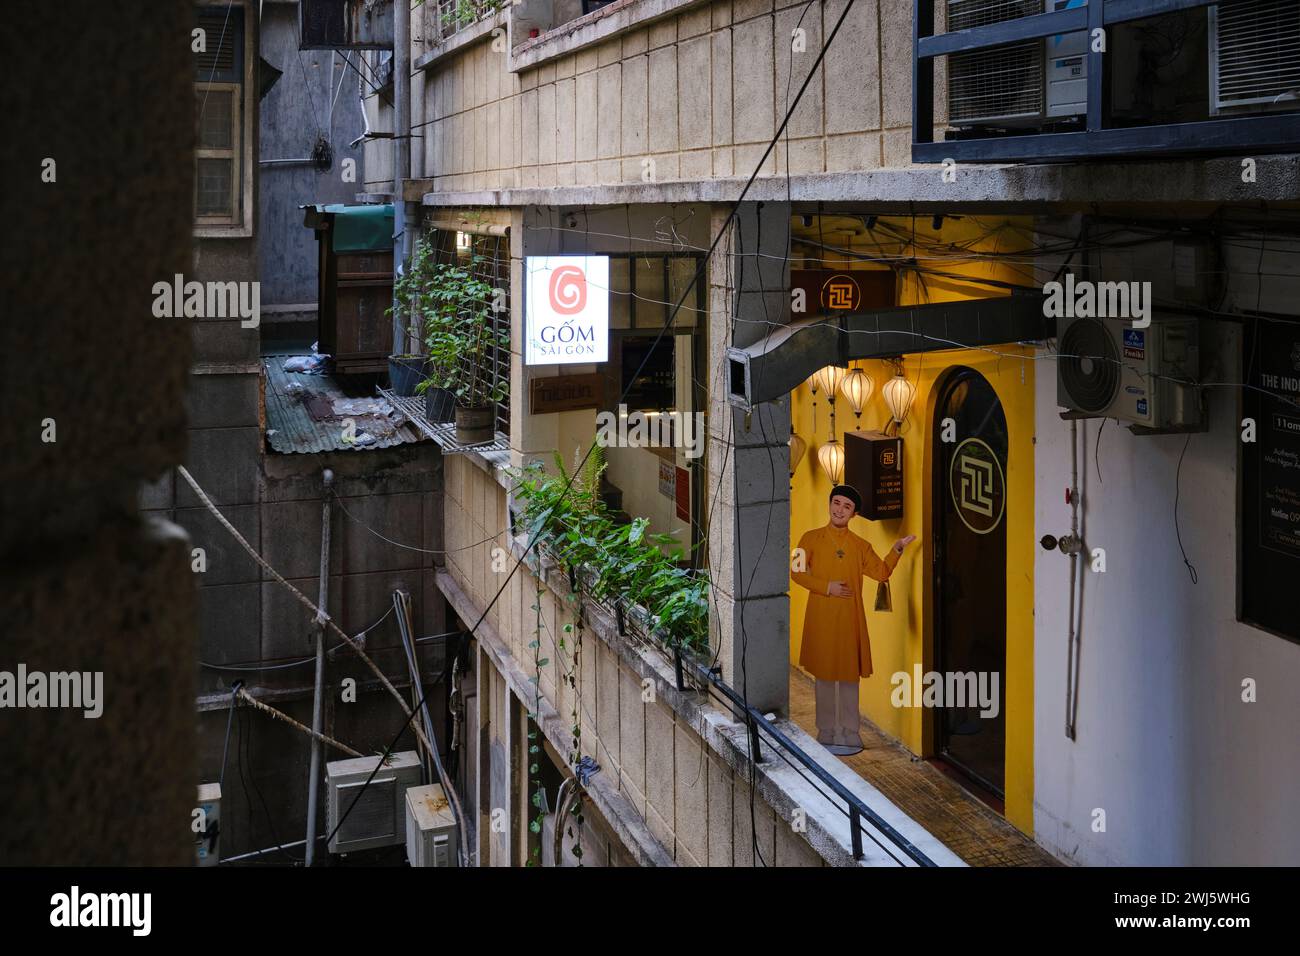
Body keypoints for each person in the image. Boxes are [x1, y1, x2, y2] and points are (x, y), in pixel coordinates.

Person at [792, 484, 916, 755]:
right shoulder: (809, 538)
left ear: (854, 515)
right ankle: (825, 730)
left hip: (850, 621)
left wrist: (896, 549)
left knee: (848, 679)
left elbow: (882, 572)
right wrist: (828, 587)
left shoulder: (861, 546)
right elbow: (796, 573)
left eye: (846, 507)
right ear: (829, 505)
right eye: (836, 503)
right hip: (821, 618)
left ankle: (850, 732)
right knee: (824, 678)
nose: (839, 509)